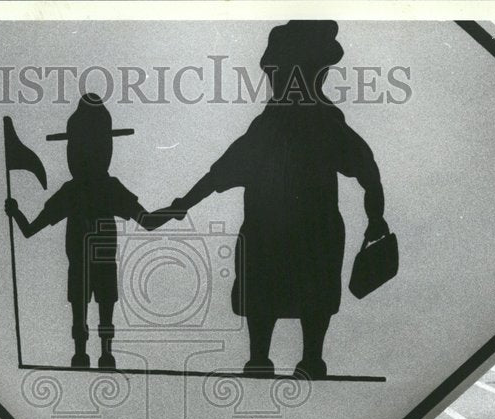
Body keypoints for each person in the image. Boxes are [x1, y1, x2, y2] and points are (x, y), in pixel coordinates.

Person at [165, 20, 390, 379]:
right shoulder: (286, 126)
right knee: (276, 288)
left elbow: (367, 170)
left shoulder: (309, 125)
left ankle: (302, 357)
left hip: (296, 229)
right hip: (285, 229)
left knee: (298, 289)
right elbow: (220, 172)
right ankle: (270, 356)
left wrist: (376, 218)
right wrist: (180, 205)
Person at [5, 94, 179, 370]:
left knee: (97, 310)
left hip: (98, 261)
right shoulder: (85, 190)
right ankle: (85, 353)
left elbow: (145, 221)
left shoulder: (93, 189)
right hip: (88, 262)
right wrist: (15, 213)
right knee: (86, 311)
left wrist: (175, 210)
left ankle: (98, 354)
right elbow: (30, 230)